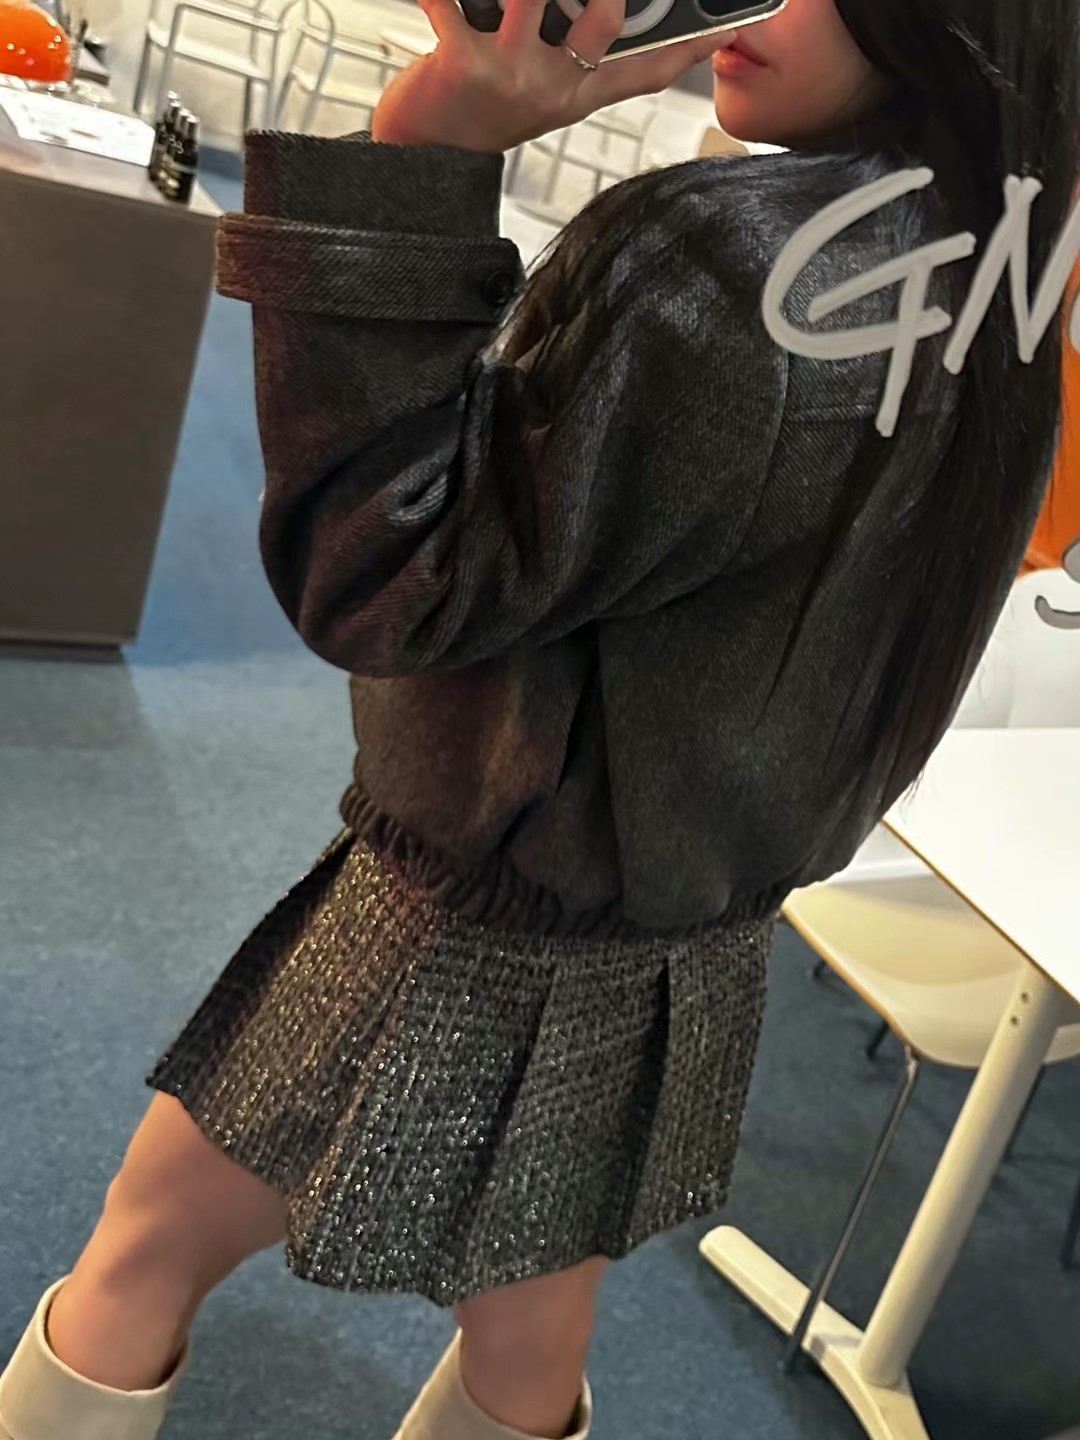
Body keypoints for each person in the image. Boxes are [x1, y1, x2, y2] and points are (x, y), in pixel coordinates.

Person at [2, 1, 1077, 1438]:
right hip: (679, 941)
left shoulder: (734, 264)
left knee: (148, 1245)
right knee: (529, 1338)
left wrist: (425, 150)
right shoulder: (1004, 273)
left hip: (480, 907)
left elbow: (386, 573)